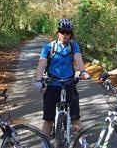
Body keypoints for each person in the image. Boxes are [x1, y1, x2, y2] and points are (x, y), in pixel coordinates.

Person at [35, 18, 90, 147]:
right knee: (48, 118)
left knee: (75, 117)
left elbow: (78, 59)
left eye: (68, 32)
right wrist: (39, 80)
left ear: (70, 34)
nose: (65, 35)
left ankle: (83, 142)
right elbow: (42, 64)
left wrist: (83, 71)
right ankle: (45, 143)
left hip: (69, 83)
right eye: (62, 32)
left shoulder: (73, 45)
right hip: (53, 84)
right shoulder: (49, 47)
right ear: (58, 32)